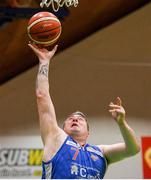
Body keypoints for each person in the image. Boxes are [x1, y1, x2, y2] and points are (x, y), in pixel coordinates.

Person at [28, 43, 140, 179]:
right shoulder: (55, 138)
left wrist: (122, 123)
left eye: (80, 119)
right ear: (62, 129)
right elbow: (42, 95)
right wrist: (44, 62)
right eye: (70, 118)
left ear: (88, 133)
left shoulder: (101, 152)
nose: (75, 119)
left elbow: (133, 149)